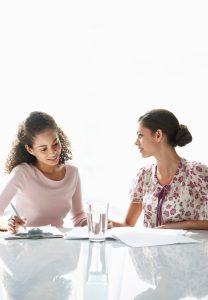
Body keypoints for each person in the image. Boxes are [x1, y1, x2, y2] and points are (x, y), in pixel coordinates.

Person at [109, 108, 208, 230]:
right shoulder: (143, 176)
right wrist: (101, 222)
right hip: (149, 248)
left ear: (158, 135)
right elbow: (128, 224)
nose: (136, 142)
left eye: (140, 135)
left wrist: (183, 225)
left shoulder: (196, 172)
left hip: (190, 249)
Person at [0, 111, 87, 233]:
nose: (53, 152)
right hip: (28, 247)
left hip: (60, 246)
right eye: (43, 149)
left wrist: (96, 224)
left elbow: (78, 217)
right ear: (30, 149)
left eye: (55, 143)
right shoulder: (22, 173)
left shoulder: (72, 173)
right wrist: (9, 224)